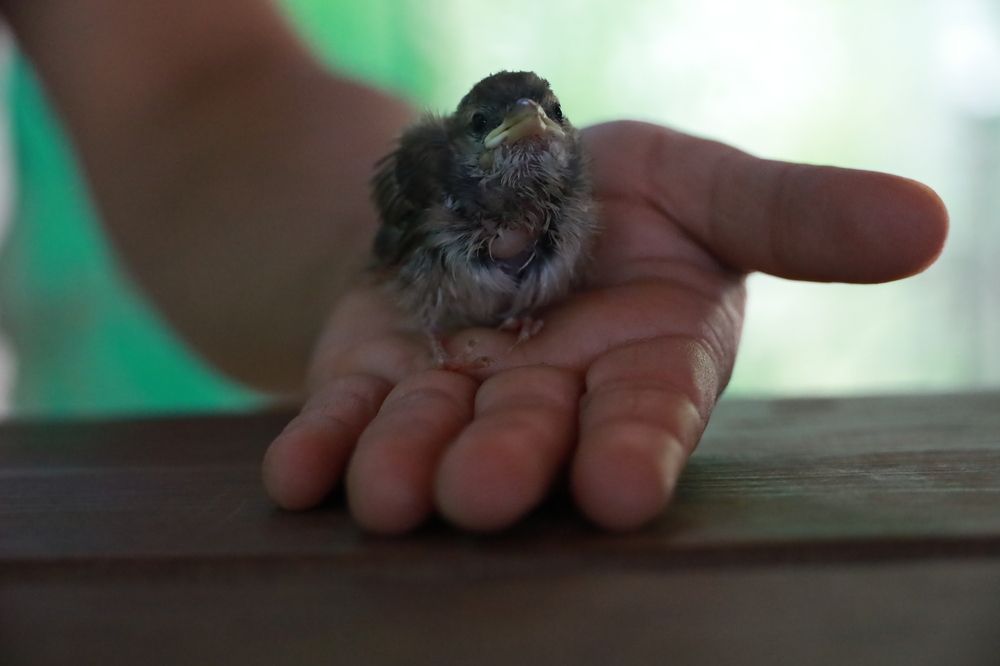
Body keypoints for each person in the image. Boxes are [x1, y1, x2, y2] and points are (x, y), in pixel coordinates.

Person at [0, 1, 948, 532]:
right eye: (498, 127)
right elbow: (180, 91)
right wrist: (394, 293)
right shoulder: (432, 182)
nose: (528, 134)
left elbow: (219, 83)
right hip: (123, 468)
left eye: (542, 119)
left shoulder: (574, 190)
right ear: (466, 144)